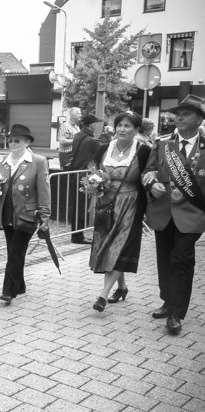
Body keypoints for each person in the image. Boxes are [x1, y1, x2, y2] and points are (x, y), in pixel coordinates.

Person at [141, 94, 205, 335]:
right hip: (163, 212)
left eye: (186, 114)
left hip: (193, 215)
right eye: (178, 114)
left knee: (181, 258)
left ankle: (177, 313)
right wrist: (151, 184)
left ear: (199, 119)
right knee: (165, 258)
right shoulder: (162, 144)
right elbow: (148, 171)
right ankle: (167, 301)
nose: (179, 118)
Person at [88, 112, 151, 312]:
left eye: (127, 126)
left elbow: (147, 179)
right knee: (107, 245)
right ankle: (121, 287)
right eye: (119, 125)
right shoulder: (103, 149)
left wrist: (148, 209)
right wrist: (94, 184)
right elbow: (94, 172)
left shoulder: (144, 151)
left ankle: (103, 295)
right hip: (105, 203)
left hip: (131, 204)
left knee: (119, 246)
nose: (122, 129)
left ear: (137, 130)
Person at [0, 124, 51, 305]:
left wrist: (45, 217)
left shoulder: (38, 161)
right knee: (14, 251)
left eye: (17, 140)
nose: (13, 144)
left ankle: (8, 291)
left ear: (26, 142)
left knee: (16, 251)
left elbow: (44, 191)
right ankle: (20, 285)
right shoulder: (2, 163)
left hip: (28, 215)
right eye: (10, 140)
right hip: (7, 214)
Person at [68, 114, 101, 244]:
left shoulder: (78, 135)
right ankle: (78, 237)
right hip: (84, 177)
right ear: (92, 125)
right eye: (96, 123)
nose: (97, 126)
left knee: (77, 206)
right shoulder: (91, 141)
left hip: (76, 175)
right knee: (81, 207)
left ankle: (77, 234)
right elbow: (105, 151)